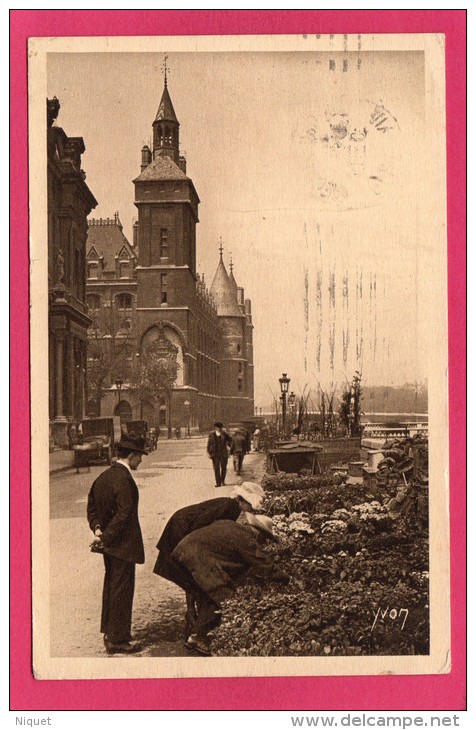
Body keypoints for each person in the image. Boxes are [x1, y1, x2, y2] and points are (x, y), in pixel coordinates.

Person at [153, 482, 265, 635]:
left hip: (182, 534)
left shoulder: (229, 505)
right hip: (179, 535)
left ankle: (194, 619)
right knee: (197, 580)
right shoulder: (230, 508)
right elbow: (197, 534)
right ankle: (195, 625)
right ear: (243, 501)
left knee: (195, 581)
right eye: (251, 507)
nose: (251, 512)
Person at [171, 512, 291, 655]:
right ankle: (197, 637)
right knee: (224, 597)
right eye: (264, 539)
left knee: (205, 594)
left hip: (182, 551)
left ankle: (196, 632)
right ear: (259, 534)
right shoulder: (246, 539)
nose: (263, 543)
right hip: (198, 559)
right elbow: (262, 562)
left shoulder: (231, 525)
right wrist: (286, 578)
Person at [86, 434, 148, 655]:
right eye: (140, 456)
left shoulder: (103, 477)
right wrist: (106, 537)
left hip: (109, 546)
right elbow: (124, 514)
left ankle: (110, 632)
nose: (141, 461)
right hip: (122, 546)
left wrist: (98, 529)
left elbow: (91, 505)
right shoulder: (124, 480)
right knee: (122, 590)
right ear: (131, 456)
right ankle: (118, 640)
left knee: (111, 587)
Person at [207, 421, 232, 487]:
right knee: (216, 468)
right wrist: (209, 452)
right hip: (215, 454)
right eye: (218, 427)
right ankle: (218, 483)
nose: (219, 429)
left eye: (220, 427)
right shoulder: (211, 434)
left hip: (223, 454)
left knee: (224, 468)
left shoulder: (224, 434)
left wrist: (226, 434)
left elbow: (231, 440)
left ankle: (222, 481)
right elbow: (209, 443)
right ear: (215, 428)